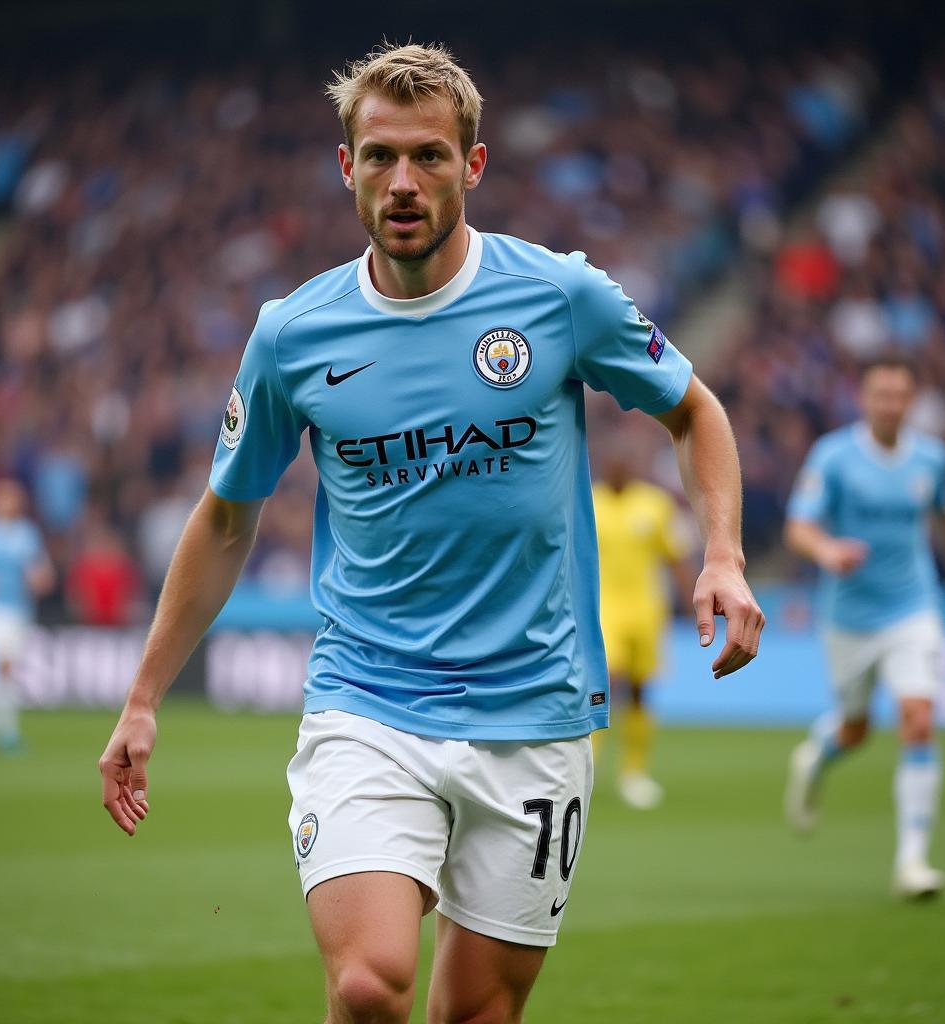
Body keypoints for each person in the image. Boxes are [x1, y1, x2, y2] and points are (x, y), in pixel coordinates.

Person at [99, 43, 764, 1024]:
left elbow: (693, 409)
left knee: (476, 1015)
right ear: (345, 167)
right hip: (369, 702)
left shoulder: (558, 296)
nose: (402, 182)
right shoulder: (293, 333)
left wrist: (723, 555)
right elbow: (226, 515)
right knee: (370, 984)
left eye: (428, 156)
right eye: (378, 157)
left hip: (535, 713)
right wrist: (144, 695)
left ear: (473, 165)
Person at [784, 355, 945, 900]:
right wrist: (827, 550)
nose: (890, 405)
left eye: (900, 395)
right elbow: (799, 526)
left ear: (911, 401)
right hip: (848, 617)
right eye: (881, 395)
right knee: (856, 731)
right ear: (863, 398)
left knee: (918, 719)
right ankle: (817, 753)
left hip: (913, 608)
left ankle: (912, 862)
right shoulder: (835, 457)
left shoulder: (931, 459)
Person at [592, 452, 696, 808]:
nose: (618, 467)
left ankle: (633, 773)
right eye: (612, 463)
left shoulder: (654, 505)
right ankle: (588, 766)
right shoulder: (589, 502)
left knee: (639, 690)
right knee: (605, 681)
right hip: (604, 609)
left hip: (647, 610)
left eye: (624, 463)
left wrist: (694, 600)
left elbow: (676, 557)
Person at [0, 479, 54, 749]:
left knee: (4, 669)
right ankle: (6, 731)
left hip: (18, 608)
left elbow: (39, 569)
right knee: (3, 666)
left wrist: (39, 578)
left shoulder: (27, 533)